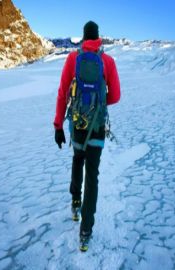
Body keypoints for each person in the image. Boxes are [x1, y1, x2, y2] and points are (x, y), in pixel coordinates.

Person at [53, 21, 121, 251]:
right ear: (98, 37)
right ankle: (86, 230)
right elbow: (116, 96)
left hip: (77, 125)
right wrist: (99, 104)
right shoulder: (107, 61)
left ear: (83, 37)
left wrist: (58, 126)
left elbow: (63, 94)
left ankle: (75, 202)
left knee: (77, 159)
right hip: (97, 126)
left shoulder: (73, 59)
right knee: (92, 174)